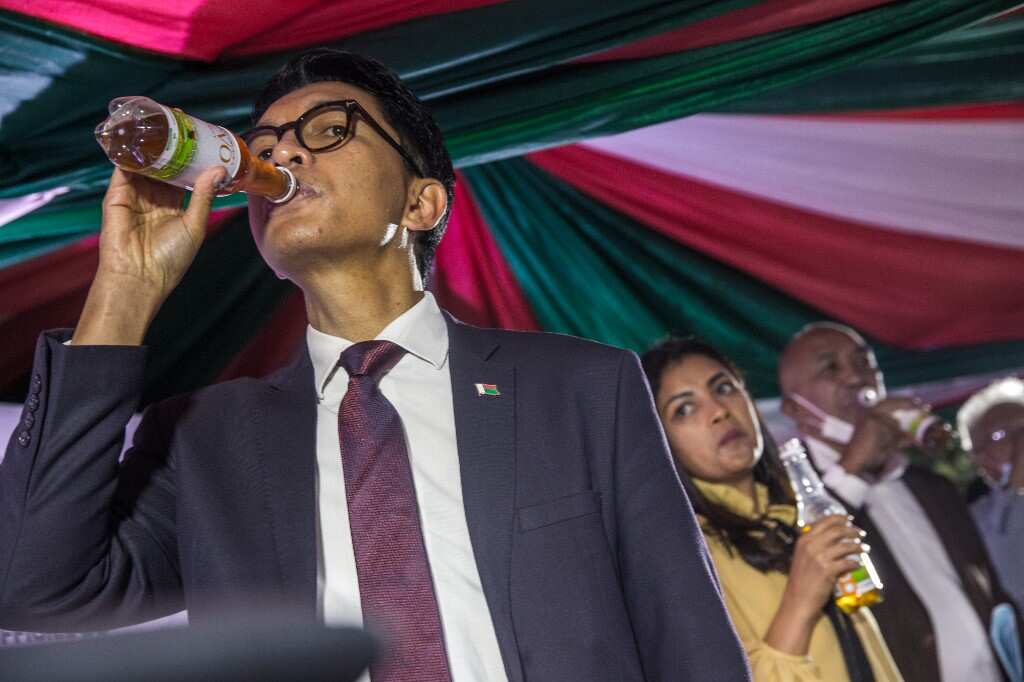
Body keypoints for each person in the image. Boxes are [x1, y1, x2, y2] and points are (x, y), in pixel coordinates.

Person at [0, 49, 751, 681]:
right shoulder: (206, 439)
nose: (282, 156)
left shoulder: (583, 387)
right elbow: (34, 588)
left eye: (330, 130)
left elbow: (690, 644)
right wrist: (125, 290)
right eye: (263, 147)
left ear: (422, 204)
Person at [642, 336, 903, 682]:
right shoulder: (687, 557)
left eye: (723, 388)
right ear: (660, 441)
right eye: (685, 409)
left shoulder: (793, 513)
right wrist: (801, 598)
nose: (719, 411)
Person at [778, 321, 1017, 682]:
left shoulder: (932, 487)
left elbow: (990, 592)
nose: (855, 377)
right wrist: (852, 470)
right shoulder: (788, 501)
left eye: (864, 363)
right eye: (831, 368)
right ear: (794, 410)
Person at [957, 377, 1024, 613]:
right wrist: (1017, 488)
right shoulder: (974, 521)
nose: (1021, 440)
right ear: (981, 458)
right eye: (1002, 434)